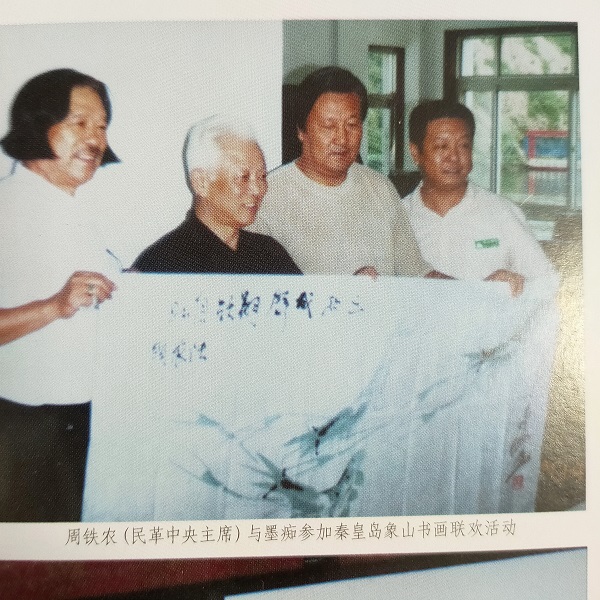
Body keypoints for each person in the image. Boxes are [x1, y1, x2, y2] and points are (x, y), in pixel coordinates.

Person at [0, 69, 119, 521]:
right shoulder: (7, 207)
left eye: (102, 126)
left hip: (82, 421)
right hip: (22, 428)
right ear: (37, 125)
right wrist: (54, 306)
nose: (95, 139)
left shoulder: (75, 211)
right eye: (79, 122)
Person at [250, 66, 430, 277]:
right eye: (329, 126)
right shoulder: (267, 196)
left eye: (352, 125)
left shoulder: (380, 188)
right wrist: (346, 291)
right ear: (301, 130)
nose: (342, 139)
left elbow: (416, 273)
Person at [404, 100, 556, 296]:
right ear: (416, 153)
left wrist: (516, 285)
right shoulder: (398, 217)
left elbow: (546, 282)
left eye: (463, 146)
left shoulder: (501, 213)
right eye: (442, 146)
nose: (454, 157)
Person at [132, 116, 301, 275]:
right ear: (201, 182)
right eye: (243, 177)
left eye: (262, 176)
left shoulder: (269, 253)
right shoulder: (162, 264)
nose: (258, 189)